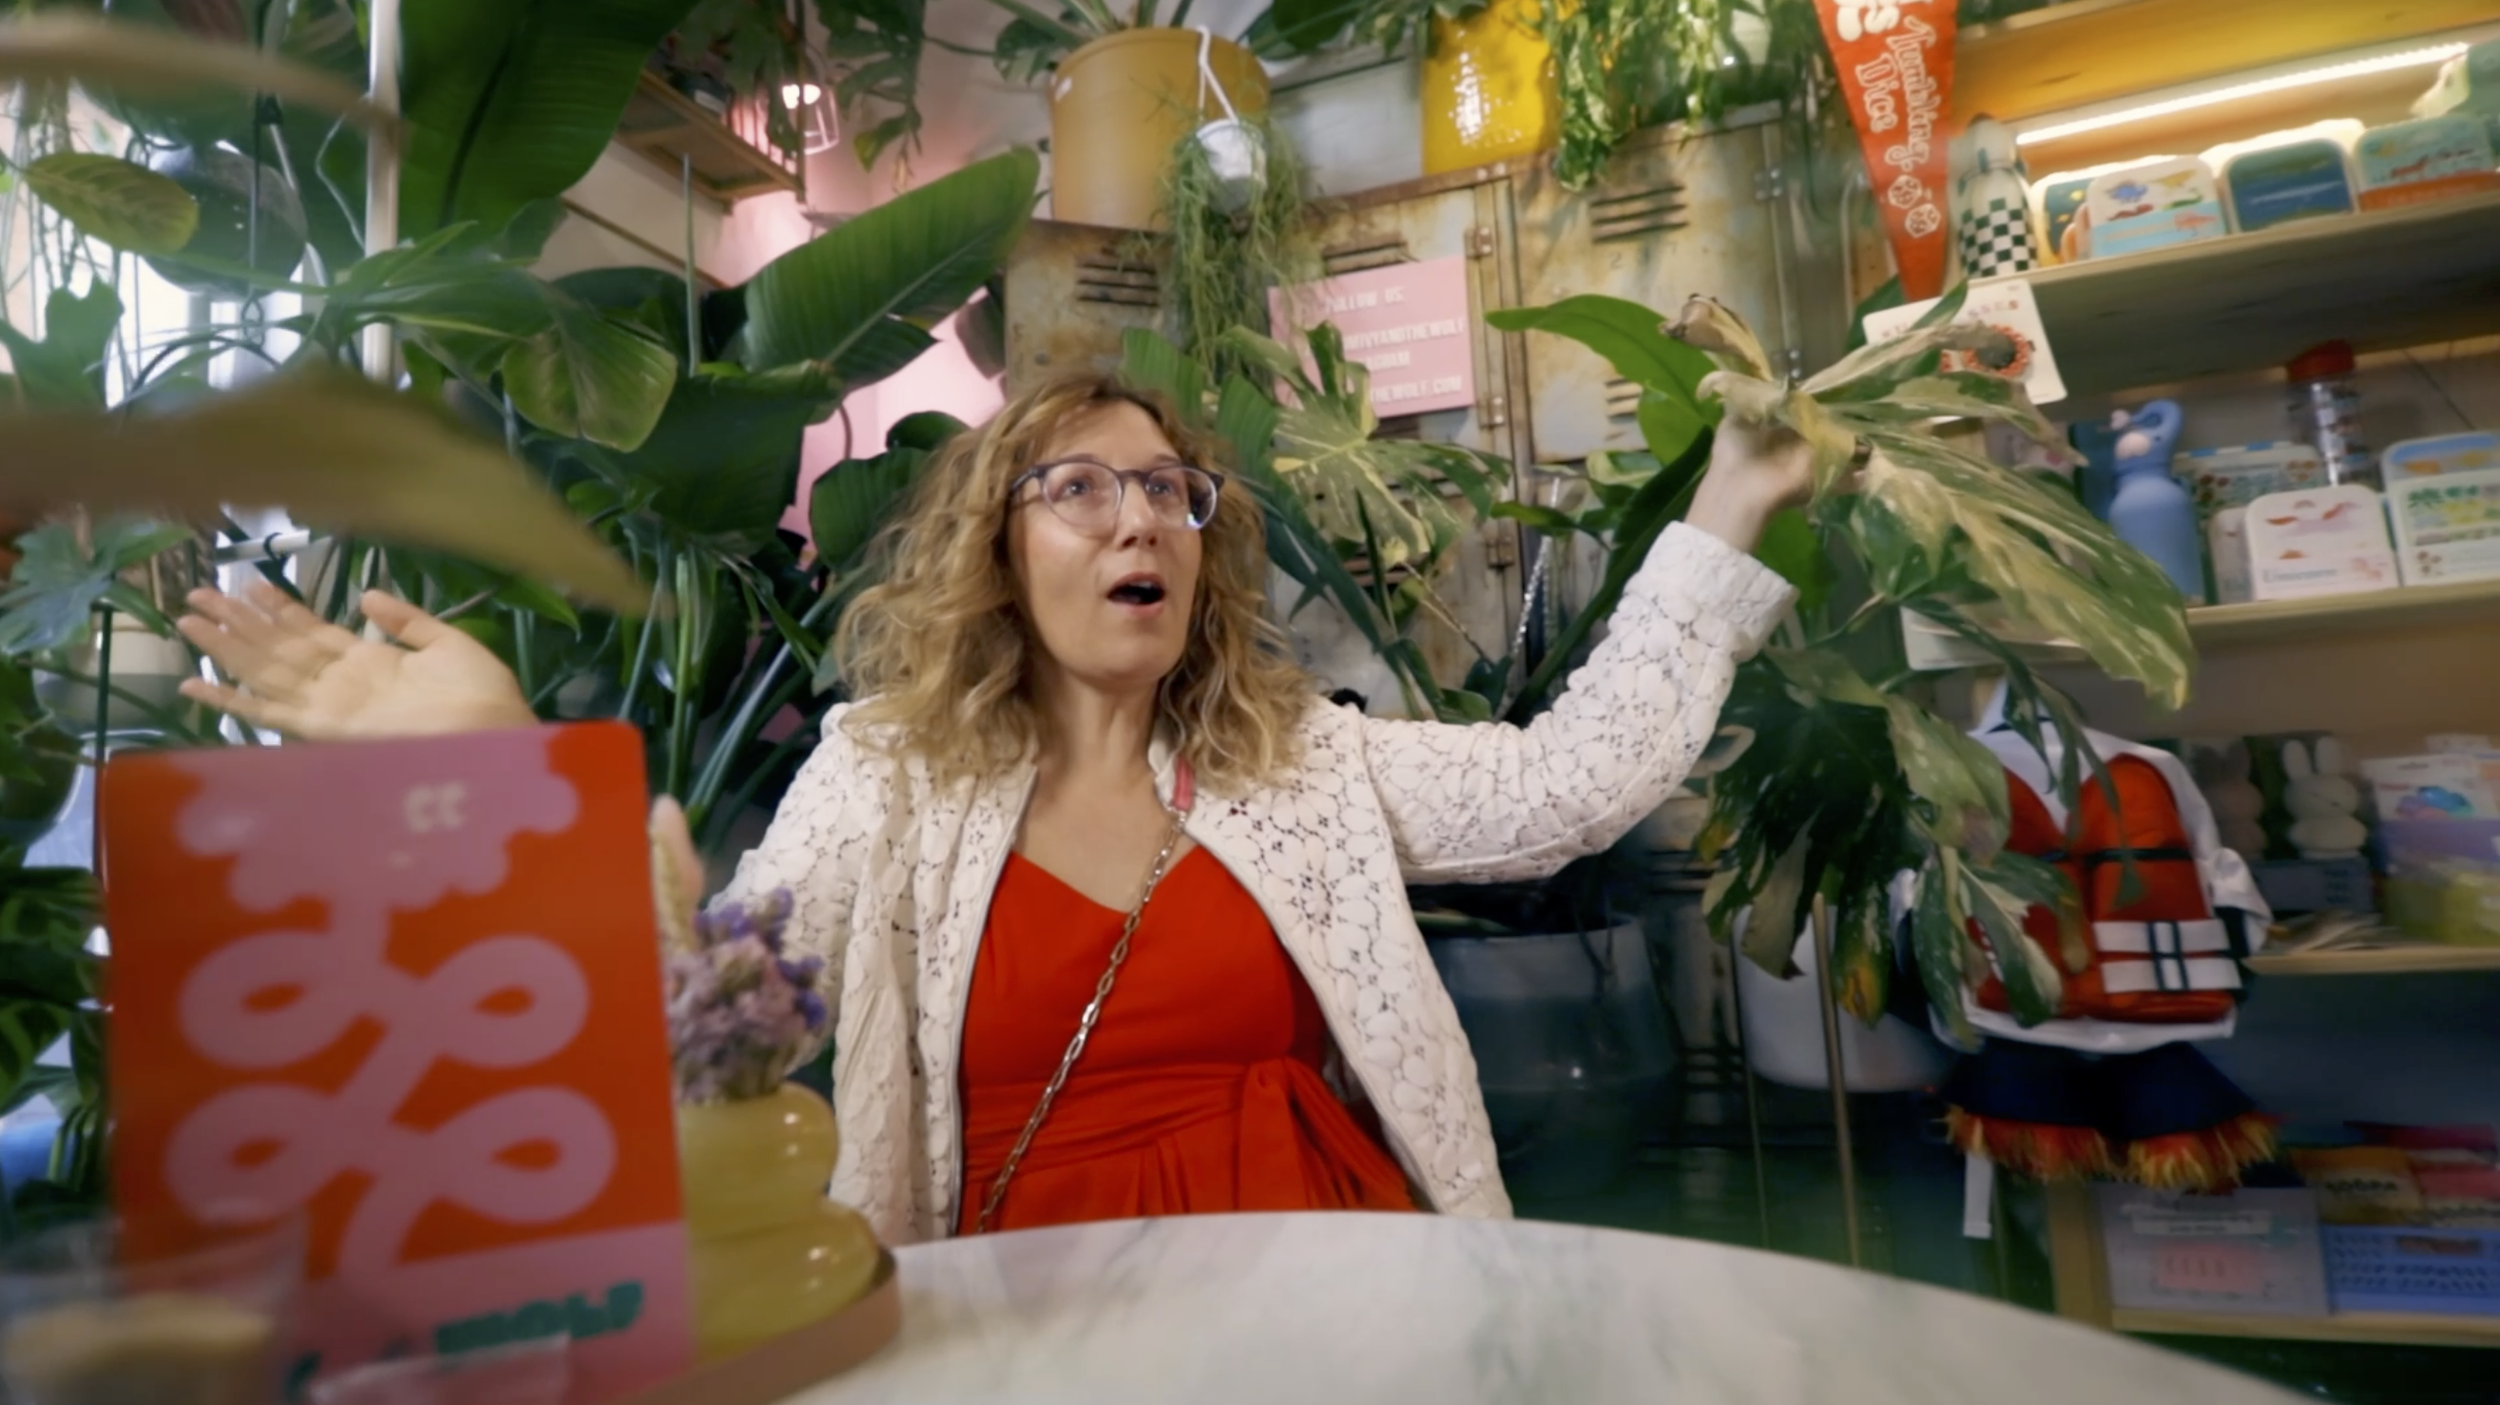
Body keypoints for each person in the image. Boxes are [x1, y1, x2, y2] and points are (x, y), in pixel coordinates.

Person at [177, 375, 1812, 1245]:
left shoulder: (1299, 758)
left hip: (1333, 1295)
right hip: (1018, 1322)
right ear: (998, 552)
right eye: (1080, 486)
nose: (1140, 516)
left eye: (1172, 488)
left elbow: (1567, 788)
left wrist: (1732, 497)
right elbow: (706, 1015)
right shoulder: (888, 774)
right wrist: (502, 766)